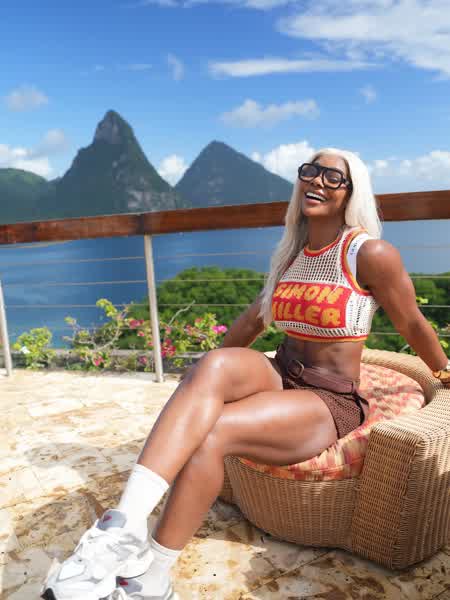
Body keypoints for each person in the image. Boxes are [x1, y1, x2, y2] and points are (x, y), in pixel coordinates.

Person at [42, 149, 450, 600]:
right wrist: (199, 383)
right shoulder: (293, 255)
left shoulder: (369, 253)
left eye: (334, 177)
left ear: (352, 192)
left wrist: (445, 371)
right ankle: (122, 528)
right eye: (310, 171)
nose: (317, 181)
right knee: (211, 365)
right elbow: (252, 322)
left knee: (213, 433)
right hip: (282, 370)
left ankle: (153, 577)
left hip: (328, 397)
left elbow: (411, 321)